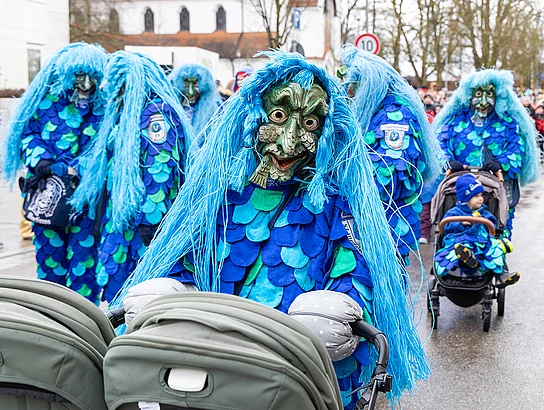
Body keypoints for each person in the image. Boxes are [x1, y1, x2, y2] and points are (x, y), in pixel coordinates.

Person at [113, 51, 430, 408]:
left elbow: (354, 269)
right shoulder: (221, 195)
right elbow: (188, 259)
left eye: (309, 123)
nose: (289, 141)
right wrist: (172, 290)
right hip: (212, 367)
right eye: (278, 117)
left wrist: (337, 304)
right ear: (253, 117)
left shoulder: (337, 205)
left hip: (293, 379)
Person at [70, 51, 194, 302]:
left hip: (143, 225)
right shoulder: (127, 113)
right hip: (120, 220)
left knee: (142, 292)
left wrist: (151, 220)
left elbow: (160, 170)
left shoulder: (157, 114)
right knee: (116, 288)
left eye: (118, 82)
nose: (108, 88)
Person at [1, 42, 107, 303]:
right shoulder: (44, 101)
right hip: (47, 195)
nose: (86, 83)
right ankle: (51, 313)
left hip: (87, 200)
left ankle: (84, 316)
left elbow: (106, 145)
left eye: (91, 76)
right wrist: (43, 161)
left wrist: (80, 168)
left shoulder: (104, 105)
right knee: (50, 263)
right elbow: (27, 133)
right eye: (79, 76)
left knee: (85, 265)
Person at [337, 45, 443, 264]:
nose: (349, 94)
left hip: (386, 226)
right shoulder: (370, 112)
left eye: (353, 87)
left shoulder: (396, 118)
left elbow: (388, 180)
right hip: (358, 222)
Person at [434, 69, 541, 240]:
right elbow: (440, 145)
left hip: (496, 191)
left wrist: (501, 162)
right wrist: (449, 162)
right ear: (468, 95)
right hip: (459, 191)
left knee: (498, 230)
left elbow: (516, 150)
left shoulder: (508, 124)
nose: (483, 101)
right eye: (478, 94)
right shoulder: (455, 121)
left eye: (489, 94)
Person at [434, 174, 519, 287]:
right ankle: (468, 257)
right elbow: (445, 227)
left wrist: (483, 221)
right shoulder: (454, 213)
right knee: (460, 247)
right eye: (476, 196)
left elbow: (493, 226)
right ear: (466, 198)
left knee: (495, 248)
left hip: (481, 240)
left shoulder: (484, 212)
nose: (481, 199)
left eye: (481, 195)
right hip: (459, 239)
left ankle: (501, 275)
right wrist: (460, 223)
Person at [169, 63, 222, 136]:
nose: (190, 92)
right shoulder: (171, 109)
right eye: (186, 84)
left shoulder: (216, 110)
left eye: (195, 84)